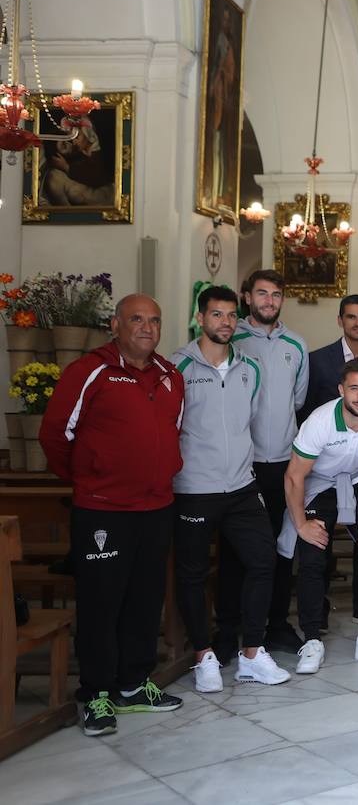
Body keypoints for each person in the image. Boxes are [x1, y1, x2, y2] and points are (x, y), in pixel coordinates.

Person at [40, 294, 186, 736]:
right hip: (103, 510)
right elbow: (54, 436)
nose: (147, 328)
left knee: (145, 599)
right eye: (137, 319)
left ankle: (134, 684)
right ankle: (96, 694)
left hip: (156, 507)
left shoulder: (170, 377)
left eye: (155, 321)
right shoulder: (90, 371)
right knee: (102, 601)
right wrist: (91, 481)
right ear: (115, 324)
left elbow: (172, 433)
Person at [171, 286, 290, 693]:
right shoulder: (177, 368)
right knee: (191, 573)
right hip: (194, 488)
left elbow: (248, 422)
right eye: (216, 315)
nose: (224, 322)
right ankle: (204, 656)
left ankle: (252, 655)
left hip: (241, 485)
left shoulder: (248, 369)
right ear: (201, 318)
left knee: (263, 560)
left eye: (230, 316)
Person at [284, 358, 358, 673]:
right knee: (312, 554)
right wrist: (301, 524)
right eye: (354, 388)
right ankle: (311, 640)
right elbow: (294, 476)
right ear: (341, 390)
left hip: (355, 478)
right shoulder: (320, 421)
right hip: (317, 484)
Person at [227, 269, 308, 653]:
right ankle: (230, 629)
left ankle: (276, 624)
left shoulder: (297, 343)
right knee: (235, 550)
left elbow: (297, 400)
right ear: (247, 297)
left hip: (283, 463)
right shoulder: (232, 339)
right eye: (262, 294)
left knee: (280, 547)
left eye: (276, 295)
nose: (269, 302)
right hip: (243, 464)